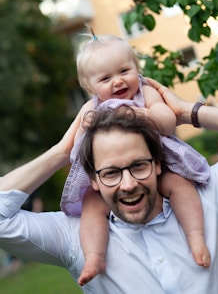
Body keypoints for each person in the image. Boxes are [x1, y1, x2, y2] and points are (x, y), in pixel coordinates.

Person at [0, 84, 218, 293]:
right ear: (92, 179)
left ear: (158, 162)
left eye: (138, 166)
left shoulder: (208, 196)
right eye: (111, 173)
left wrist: (186, 113)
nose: (128, 185)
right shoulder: (75, 237)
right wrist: (62, 152)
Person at [60, 34, 210, 285]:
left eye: (124, 70)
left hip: (161, 163)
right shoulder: (91, 107)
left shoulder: (146, 93)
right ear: (90, 87)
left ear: (137, 69)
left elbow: (167, 120)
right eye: (106, 78)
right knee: (92, 205)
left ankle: (195, 237)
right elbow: (79, 145)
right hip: (117, 172)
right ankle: (94, 256)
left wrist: (144, 114)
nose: (118, 81)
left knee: (181, 186)